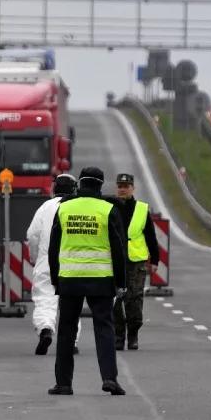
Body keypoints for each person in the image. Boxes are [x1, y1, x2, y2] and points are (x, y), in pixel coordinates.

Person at [47, 167, 128, 396]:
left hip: (70, 279)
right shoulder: (107, 209)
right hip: (101, 280)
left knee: (66, 331)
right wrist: (121, 283)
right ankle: (109, 378)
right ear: (100, 186)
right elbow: (118, 249)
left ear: (80, 184)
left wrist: (55, 279)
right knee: (104, 329)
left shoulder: (64, 208)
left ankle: (63, 383)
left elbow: (53, 248)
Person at [26, 173, 82, 355]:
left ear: (54, 189)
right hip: (71, 264)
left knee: (44, 300)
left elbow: (33, 235)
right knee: (71, 303)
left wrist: (35, 258)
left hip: (46, 263)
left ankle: (45, 329)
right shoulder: (77, 208)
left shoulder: (45, 208)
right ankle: (71, 340)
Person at [111, 172, 160, 351]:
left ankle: (133, 334)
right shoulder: (109, 207)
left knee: (134, 299)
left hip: (135, 262)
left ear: (133, 188)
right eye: (120, 187)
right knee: (115, 300)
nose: (122, 190)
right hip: (114, 260)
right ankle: (118, 335)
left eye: (126, 187)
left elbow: (151, 236)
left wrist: (154, 259)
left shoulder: (141, 209)